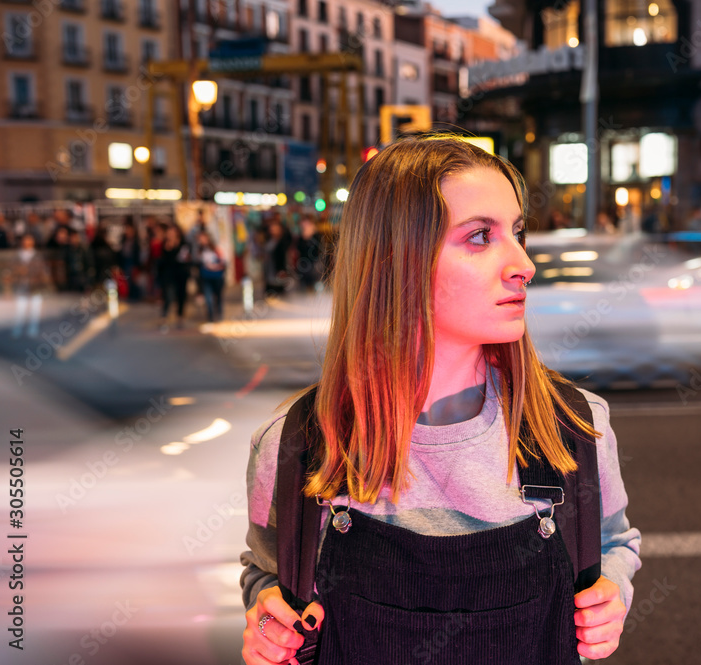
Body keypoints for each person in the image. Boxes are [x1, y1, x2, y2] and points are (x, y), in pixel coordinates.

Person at [239, 136, 641, 665]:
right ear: (395, 260)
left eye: (518, 233)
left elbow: (615, 543)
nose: (524, 264)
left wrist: (611, 595)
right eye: (480, 236)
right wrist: (267, 614)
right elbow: (265, 569)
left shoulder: (573, 428)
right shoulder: (295, 447)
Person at [6, 234, 52, 339]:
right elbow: (11, 270)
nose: (27, 243)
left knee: (35, 309)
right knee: (20, 309)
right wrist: (18, 272)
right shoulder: (17, 255)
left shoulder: (37, 256)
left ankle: (33, 329)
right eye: (25, 241)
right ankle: (18, 329)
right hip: (21, 285)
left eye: (29, 241)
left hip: (35, 285)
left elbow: (42, 271)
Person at [156, 224, 191, 331]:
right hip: (169, 274)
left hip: (181, 273)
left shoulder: (183, 244)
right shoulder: (164, 244)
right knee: (168, 294)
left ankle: (180, 316)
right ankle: (164, 316)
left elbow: (185, 258)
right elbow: (162, 260)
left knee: (181, 295)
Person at [195, 230, 226, 322]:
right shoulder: (199, 251)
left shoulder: (215, 249)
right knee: (208, 296)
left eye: (203, 238)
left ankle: (219, 312)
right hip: (206, 277)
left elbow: (223, 261)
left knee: (218, 296)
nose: (201, 240)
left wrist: (215, 267)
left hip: (217, 276)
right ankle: (211, 315)